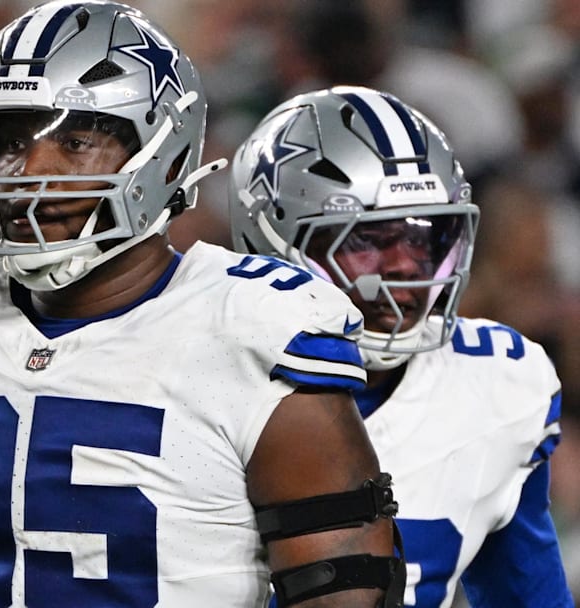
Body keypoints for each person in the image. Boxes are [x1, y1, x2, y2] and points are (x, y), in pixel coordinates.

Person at [0, 2, 405, 606]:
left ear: (167, 155)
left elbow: (352, 593)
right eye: (10, 140)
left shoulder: (255, 331)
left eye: (76, 142)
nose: (31, 171)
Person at [228, 85, 574, 607]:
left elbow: (527, 597)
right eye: (365, 239)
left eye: (422, 236)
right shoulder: (196, 367)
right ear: (272, 242)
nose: (406, 267)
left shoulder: (498, 385)